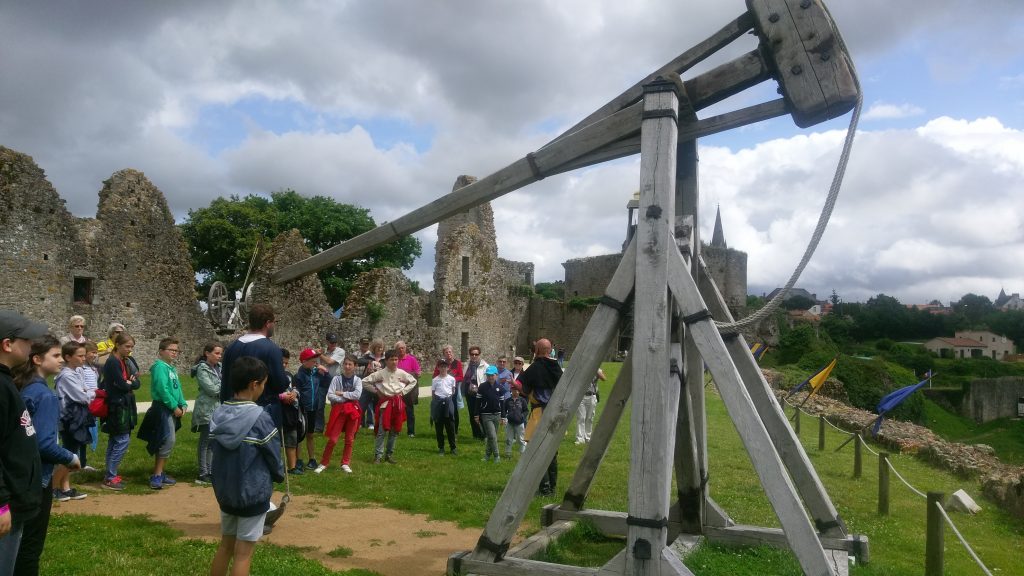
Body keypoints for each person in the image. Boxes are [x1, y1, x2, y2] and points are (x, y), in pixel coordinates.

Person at [209, 356, 285, 576]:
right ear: (254, 384)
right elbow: (273, 456)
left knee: (225, 546)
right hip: (252, 492)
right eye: (263, 384)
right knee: (243, 553)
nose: (263, 388)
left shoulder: (219, 413)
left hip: (225, 492)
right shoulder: (261, 418)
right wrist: (278, 475)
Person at [14, 335, 80, 575]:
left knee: (17, 542)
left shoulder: (25, 387)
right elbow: (44, 444)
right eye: (55, 355)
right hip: (36, 479)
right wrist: (71, 458)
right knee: (30, 545)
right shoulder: (44, 395)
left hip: (20, 475)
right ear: (37, 359)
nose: (61, 360)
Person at [0, 311, 45, 575]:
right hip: (7, 507)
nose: (31, 346)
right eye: (27, 340)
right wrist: (2, 503)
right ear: (7, 344)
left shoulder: (7, 382)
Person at [220, 304, 293, 428]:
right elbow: (280, 384)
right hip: (260, 414)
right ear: (268, 323)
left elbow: (225, 380)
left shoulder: (232, 347)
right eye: (274, 322)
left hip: (232, 413)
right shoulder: (271, 349)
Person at [138, 338, 187, 490]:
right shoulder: (160, 367)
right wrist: (174, 406)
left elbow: (176, 389)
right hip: (163, 408)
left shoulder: (171, 368)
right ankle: (157, 475)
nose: (174, 353)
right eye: (171, 350)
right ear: (161, 351)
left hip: (171, 407)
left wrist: (183, 403)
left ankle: (160, 472)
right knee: (167, 439)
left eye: (176, 350)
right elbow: (162, 389)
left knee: (166, 440)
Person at [518, 338, 562, 496]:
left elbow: (523, 387)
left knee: (536, 451)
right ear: (549, 350)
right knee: (552, 452)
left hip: (539, 414)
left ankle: (544, 489)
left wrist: (516, 386)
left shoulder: (534, 368)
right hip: (555, 414)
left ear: (536, 350)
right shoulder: (557, 367)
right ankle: (552, 488)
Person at [53, 341, 94, 500]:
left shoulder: (76, 372)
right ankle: (52, 487)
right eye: (80, 356)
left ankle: (65, 487)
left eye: (84, 355)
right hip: (70, 418)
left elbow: (85, 390)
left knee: (72, 450)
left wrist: (87, 391)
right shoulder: (67, 375)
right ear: (68, 357)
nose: (84, 358)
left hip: (76, 416)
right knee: (70, 453)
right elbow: (82, 396)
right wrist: (92, 393)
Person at [362, 350, 417, 464]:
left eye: (396, 359)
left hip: (397, 404)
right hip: (385, 404)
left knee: (394, 431)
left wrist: (403, 392)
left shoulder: (402, 373)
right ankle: (378, 455)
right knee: (382, 431)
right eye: (391, 359)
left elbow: (413, 381)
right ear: (386, 361)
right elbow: (364, 381)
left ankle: (389, 454)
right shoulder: (380, 373)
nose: (394, 362)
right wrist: (376, 391)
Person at [100, 333, 140, 491]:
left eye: (131, 347)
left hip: (124, 404)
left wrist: (130, 383)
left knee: (116, 440)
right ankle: (110, 476)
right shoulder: (112, 362)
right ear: (117, 345)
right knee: (121, 440)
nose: (129, 350)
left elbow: (137, 382)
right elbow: (122, 385)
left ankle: (110, 474)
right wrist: (129, 383)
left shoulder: (126, 361)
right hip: (117, 406)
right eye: (127, 346)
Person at [316, 355, 362, 474]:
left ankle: (345, 463)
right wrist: (345, 399)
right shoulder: (336, 379)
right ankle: (324, 462)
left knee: (349, 439)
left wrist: (341, 393)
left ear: (355, 366)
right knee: (333, 439)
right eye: (345, 364)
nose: (347, 366)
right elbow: (330, 394)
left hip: (352, 411)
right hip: (340, 410)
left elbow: (357, 395)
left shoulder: (358, 380)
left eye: (350, 364)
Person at [192, 342, 222, 486]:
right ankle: (203, 472)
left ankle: (210, 471)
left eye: (220, 353)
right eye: (216, 353)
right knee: (205, 441)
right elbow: (211, 389)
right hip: (206, 408)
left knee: (213, 441)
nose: (219, 356)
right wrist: (224, 385)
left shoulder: (220, 368)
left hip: (218, 408)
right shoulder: (202, 369)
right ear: (207, 353)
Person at [295, 348, 330, 472]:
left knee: (310, 434)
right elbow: (296, 391)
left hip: (313, 409)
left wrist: (325, 373)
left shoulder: (316, 373)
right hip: (302, 409)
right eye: (312, 359)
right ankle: (298, 460)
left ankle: (312, 459)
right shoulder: (299, 375)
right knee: (299, 435)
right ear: (304, 361)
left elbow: (327, 383)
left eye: (316, 359)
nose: (315, 361)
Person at [278, 349, 305, 475]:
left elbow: (296, 387)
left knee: (291, 440)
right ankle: (277, 467)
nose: (284, 365)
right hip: (278, 411)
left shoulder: (289, 375)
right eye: (281, 362)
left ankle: (292, 467)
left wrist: (294, 393)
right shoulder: (269, 375)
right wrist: (283, 396)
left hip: (290, 413)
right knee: (276, 442)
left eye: (286, 363)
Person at [474, 365, 505, 463]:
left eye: (492, 375)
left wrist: (503, 417)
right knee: (492, 436)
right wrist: (476, 415)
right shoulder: (482, 387)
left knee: (492, 437)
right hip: (486, 415)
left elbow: (502, 403)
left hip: (497, 415)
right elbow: (477, 402)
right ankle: (497, 456)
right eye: (488, 375)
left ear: (496, 375)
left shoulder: (500, 388)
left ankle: (487, 455)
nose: (490, 377)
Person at [430, 359, 457, 456]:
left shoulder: (452, 379)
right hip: (438, 402)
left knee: (450, 426)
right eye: (441, 366)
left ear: (448, 367)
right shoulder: (435, 380)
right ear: (438, 368)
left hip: (448, 401)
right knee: (439, 427)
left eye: (445, 366)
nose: (443, 368)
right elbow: (433, 393)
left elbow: (453, 391)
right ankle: (441, 447)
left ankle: (453, 447)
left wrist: (448, 399)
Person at [394, 341, 421, 438]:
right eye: (399, 348)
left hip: (408, 389)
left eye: (402, 348)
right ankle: (396, 430)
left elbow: (418, 373)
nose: (401, 350)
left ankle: (411, 432)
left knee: (409, 411)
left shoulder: (411, 359)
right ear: (396, 350)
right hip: (397, 389)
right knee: (397, 411)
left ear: (405, 348)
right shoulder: (395, 360)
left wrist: (407, 377)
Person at [462, 346, 489, 440]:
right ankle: (476, 434)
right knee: (472, 414)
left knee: (481, 414)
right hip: (470, 393)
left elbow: (488, 380)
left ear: (479, 355)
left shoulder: (485, 366)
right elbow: (463, 378)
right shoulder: (467, 365)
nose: (474, 356)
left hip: (481, 394)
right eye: (472, 354)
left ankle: (485, 434)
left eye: (476, 354)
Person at [358, 339, 385, 430]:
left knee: (379, 406)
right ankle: (358, 423)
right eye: (378, 347)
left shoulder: (385, 358)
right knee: (362, 404)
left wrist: (381, 367)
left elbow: (387, 366)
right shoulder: (369, 356)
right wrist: (370, 363)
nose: (380, 349)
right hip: (368, 384)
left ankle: (378, 424)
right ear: (374, 348)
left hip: (380, 385)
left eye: (381, 348)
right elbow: (359, 361)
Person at [575, 368, 605, 445]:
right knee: (581, 418)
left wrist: (596, 371)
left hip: (592, 396)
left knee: (590, 418)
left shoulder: (597, 369)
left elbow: (603, 378)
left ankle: (588, 437)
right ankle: (580, 438)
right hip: (580, 396)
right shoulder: (580, 368)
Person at [503, 383, 528, 458]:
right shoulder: (507, 401)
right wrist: (505, 417)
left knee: (521, 439)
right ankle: (508, 454)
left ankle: (522, 454)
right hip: (510, 423)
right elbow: (503, 410)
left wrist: (522, 416)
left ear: (519, 391)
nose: (515, 392)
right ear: (511, 390)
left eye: (517, 390)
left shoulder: (522, 400)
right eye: (514, 390)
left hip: (520, 423)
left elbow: (526, 410)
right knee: (509, 439)